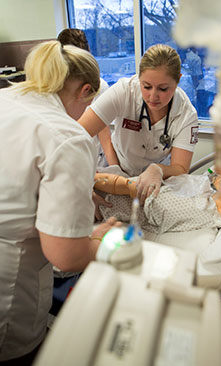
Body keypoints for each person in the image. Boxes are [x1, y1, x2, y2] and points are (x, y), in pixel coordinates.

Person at [0, 40, 120, 365]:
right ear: (85, 91)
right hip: (9, 286)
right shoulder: (66, 136)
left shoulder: (6, 99)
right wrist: (104, 240)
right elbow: (66, 255)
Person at [78, 44, 199, 205]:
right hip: (115, 167)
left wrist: (158, 169)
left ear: (178, 81)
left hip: (156, 180)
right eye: (146, 86)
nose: (153, 96)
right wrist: (81, 182)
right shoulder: (124, 91)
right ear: (139, 77)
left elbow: (181, 168)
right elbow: (76, 135)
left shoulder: (186, 114)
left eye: (163, 89)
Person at [93, 164, 221, 234]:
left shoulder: (198, 209)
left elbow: (134, 189)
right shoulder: (208, 201)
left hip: (105, 199)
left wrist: (89, 181)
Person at [57, 28, 110, 166]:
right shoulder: (55, 91)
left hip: (93, 157)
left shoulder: (98, 85)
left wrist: (116, 168)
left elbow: (103, 129)